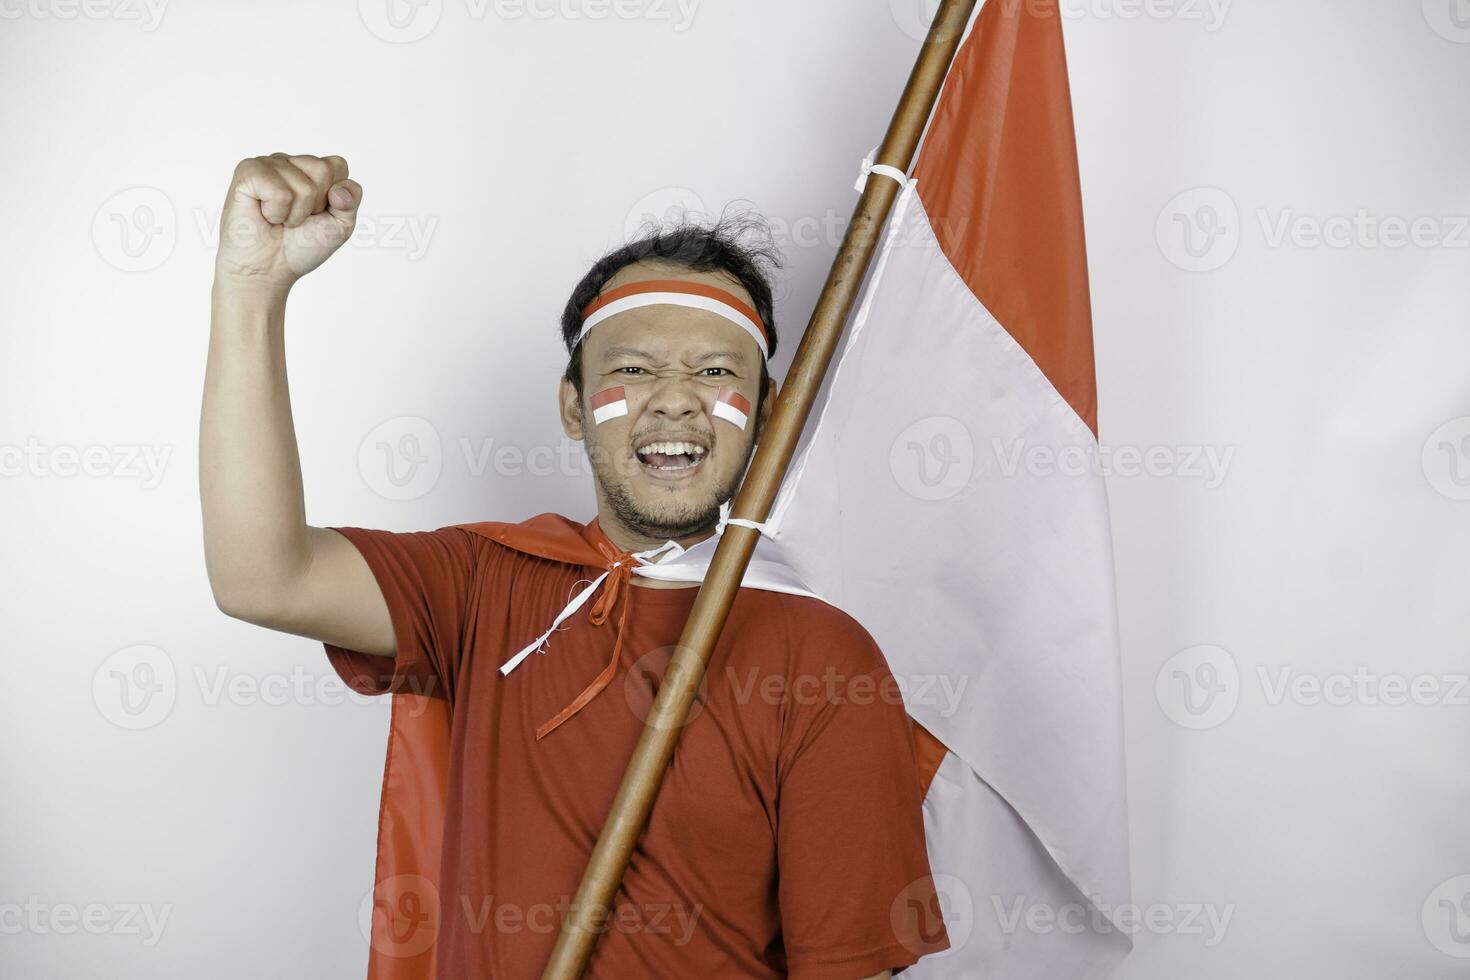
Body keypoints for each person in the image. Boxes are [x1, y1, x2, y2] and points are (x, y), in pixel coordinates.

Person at [200, 152, 950, 978]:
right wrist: (251, 289)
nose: (675, 398)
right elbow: (260, 575)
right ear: (571, 406)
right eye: (633, 368)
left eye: (715, 370)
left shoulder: (829, 660)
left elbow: (852, 968)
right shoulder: (484, 582)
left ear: (767, 417)